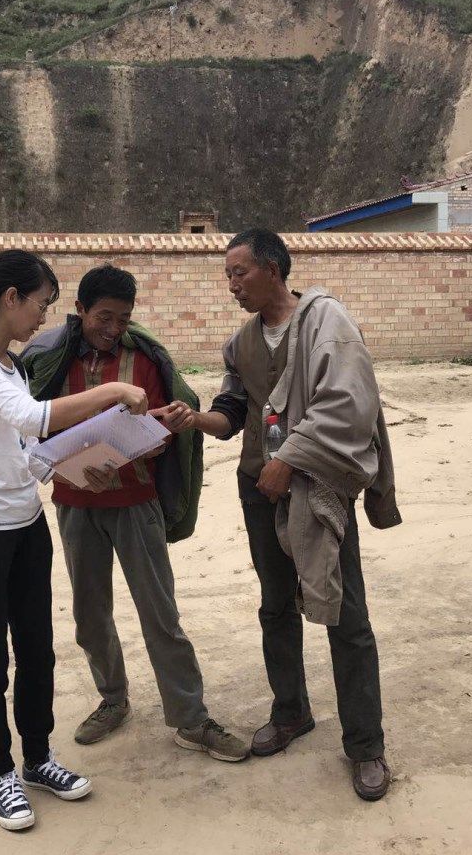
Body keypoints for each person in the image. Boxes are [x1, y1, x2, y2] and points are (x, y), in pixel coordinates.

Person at [152, 229, 401, 800]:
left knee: (345, 612)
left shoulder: (326, 322)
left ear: (273, 269)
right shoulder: (242, 343)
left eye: (239, 273)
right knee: (275, 605)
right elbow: (232, 412)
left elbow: (350, 404)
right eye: (227, 275)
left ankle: (366, 745)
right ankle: (291, 712)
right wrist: (194, 420)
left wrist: (288, 460)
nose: (232, 285)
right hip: (258, 490)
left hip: (317, 486)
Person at [0, 250, 149, 831]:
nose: (44, 317)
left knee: (37, 650)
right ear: (11, 299)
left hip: (25, 526)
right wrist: (114, 392)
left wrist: (77, 467)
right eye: (41, 304)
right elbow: (33, 419)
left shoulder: (13, 366)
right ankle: (0, 772)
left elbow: (27, 451)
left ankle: (37, 758)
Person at [22, 263, 249, 762]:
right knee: (90, 615)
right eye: (103, 317)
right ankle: (113, 700)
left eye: (123, 319)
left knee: (160, 614)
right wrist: (69, 469)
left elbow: (161, 430)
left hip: (136, 504)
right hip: (76, 506)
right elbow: (30, 434)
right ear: (80, 310)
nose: (113, 328)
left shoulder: (143, 361)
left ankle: (191, 718)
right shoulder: (49, 362)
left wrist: (163, 428)